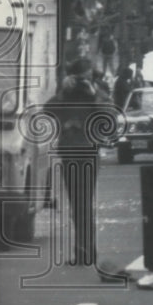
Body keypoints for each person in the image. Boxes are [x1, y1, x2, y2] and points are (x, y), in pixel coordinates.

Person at [44, 58, 112, 265]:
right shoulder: (66, 94)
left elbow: (108, 118)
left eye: (88, 76)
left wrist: (94, 95)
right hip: (70, 152)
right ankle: (83, 252)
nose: (86, 80)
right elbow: (47, 111)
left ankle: (86, 252)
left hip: (88, 152)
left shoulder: (97, 93)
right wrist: (63, 93)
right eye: (83, 76)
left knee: (83, 202)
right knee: (78, 203)